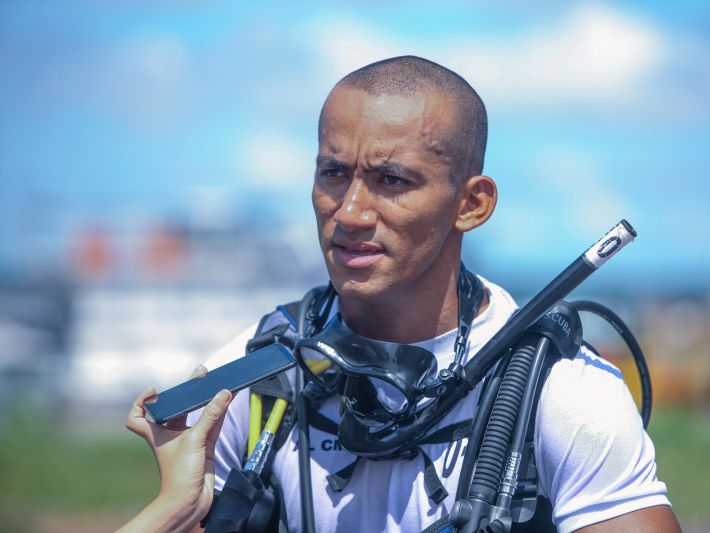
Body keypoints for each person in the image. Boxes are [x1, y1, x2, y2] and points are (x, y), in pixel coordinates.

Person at [122, 56, 681, 532]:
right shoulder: (252, 377)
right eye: (334, 173)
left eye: (392, 180)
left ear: (473, 204)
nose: (350, 213)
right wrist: (176, 507)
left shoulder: (565, 395)